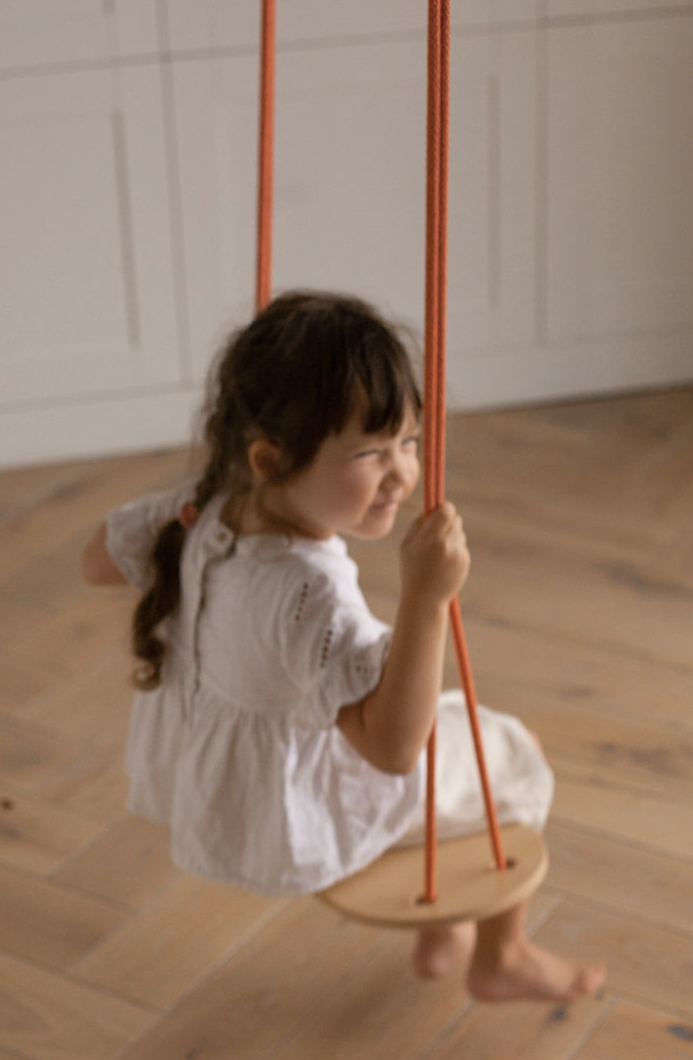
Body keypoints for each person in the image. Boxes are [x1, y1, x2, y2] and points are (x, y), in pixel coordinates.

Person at [82, 290, 606, 1003]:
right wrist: (425, 599)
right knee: (510, 751)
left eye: (409, 442)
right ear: (270, 459)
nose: (401, 473)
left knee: (458, 731)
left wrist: (166, 518)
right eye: (370, 452)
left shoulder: (204, 508)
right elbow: (393, 749)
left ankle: (441, 930)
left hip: (224, 788)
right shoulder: (311, 594)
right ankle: (501, 955)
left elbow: (93, 562)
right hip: (307, 808)